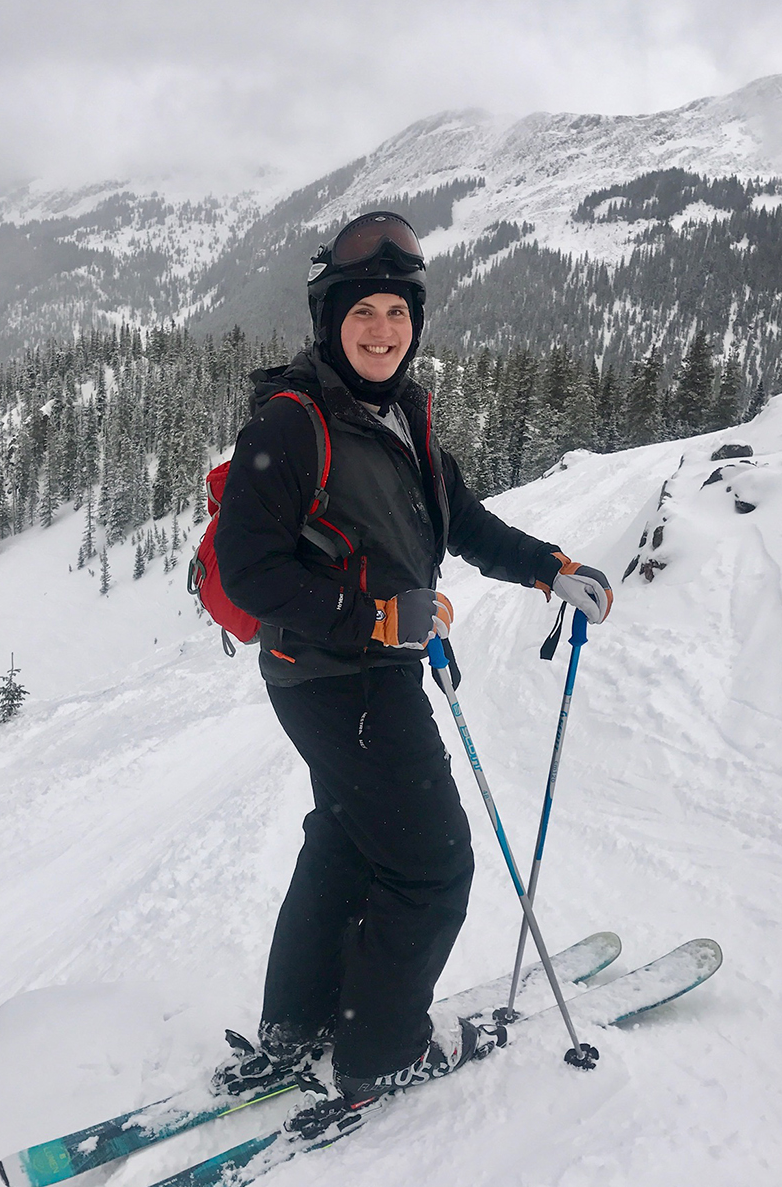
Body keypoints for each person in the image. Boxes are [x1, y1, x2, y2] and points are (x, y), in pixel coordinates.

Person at [213, 212, 612, 1139]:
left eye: (397, 312)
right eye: (364, 314)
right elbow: (250, 572)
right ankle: (380, 1054)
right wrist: (376, 616)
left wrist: (550, 566)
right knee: (432, 867)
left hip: (360, 676)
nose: (382, 330)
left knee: (347, 843)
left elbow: (459, 521)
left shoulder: (406, 415)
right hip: (337, 678)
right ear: (331, 321)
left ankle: (296, 1025)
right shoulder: (291, 420)